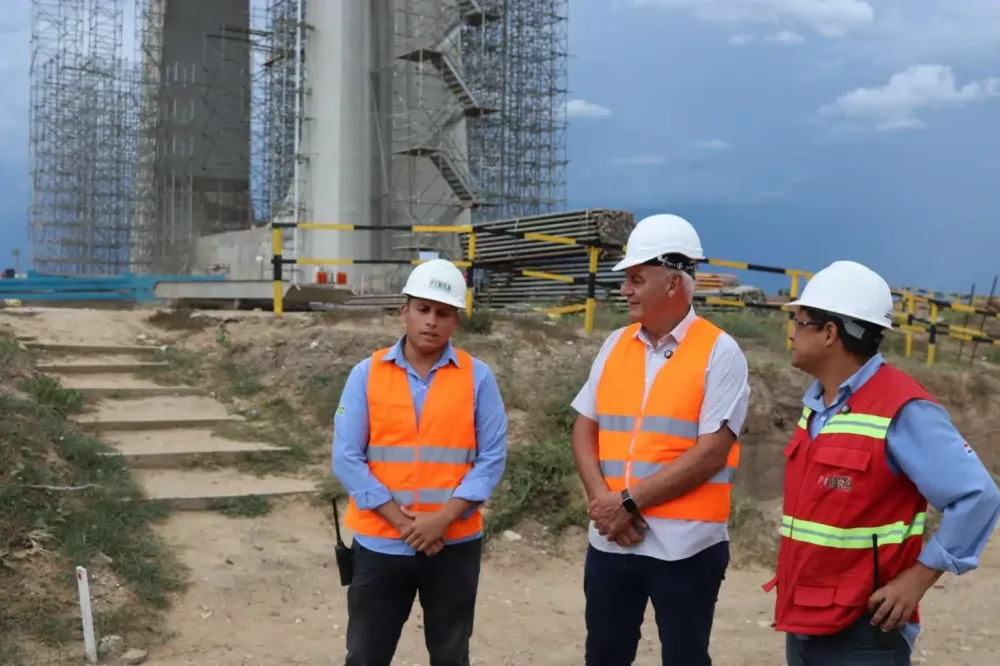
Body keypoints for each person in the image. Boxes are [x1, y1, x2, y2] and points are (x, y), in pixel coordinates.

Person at [765, 260, 1000, 666]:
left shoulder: (902, 408)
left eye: (799, 321)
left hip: (863, 630)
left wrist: (918, 579)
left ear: (829, 333)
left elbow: (978, 496)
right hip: (803, 617)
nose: (790, 331)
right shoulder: (818, 404)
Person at [569, 213, 751, 666]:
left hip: (686, 546)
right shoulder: (614, 344)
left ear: (673, 284)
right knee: (604, 656)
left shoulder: (720, 352)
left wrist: (626, 503)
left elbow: (711, 453)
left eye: (636, 279)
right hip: (613, 540)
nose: (625, 289)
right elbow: (584, 426)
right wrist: (603, 503)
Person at [331, 258, 508, 666]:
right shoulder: (366, 374)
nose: (431, 321)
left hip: (453, 545)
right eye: (423, 309)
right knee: (365, 655)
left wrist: (441, 520)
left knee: (450, 655)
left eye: (443, 313)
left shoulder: (478, 378)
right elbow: (346, 456)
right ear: (404, 311)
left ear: (455, 321)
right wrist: (402, 522)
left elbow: (492, 458)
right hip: (379, 544)